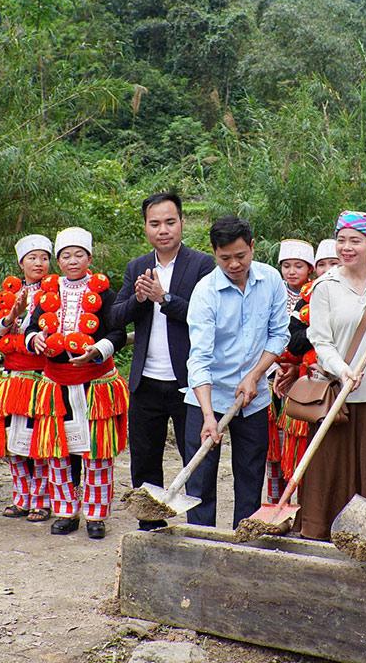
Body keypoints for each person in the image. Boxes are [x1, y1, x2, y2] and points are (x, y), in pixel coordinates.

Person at [110, 193, 215, 530]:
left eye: (170, 222)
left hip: (189, 384)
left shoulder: (202, 265)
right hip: (146, 383)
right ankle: (149, 531)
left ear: (182, 222)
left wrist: (164, 298)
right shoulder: (137, 266)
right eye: (155, 223)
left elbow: (207, 317)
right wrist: (140, 298)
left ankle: (200, 532)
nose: (163, 230)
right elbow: (116, 317)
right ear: (145, 227)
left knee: (197, 463)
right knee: (144, 463)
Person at [298, 211, 366, 539]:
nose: (346, 247)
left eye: (355, 241)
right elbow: (320, 339)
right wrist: (341, 369)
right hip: (336, 391)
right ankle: (321, 530)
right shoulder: (325, 286)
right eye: (341, 240)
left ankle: (365, 533)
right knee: (329, 464)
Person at [185, 216, 290, 529]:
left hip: (253, 398)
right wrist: (208, 416)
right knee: (200, 479)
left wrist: (255, 375)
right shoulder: (205, 292)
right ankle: (199, 541)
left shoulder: (270, 280)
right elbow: (199, 358)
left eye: (241, 256)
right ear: (214, 253)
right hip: (208, 396)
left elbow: (278, 335)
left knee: (250, 474)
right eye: (225, 258)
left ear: (252, 247)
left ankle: (243, 539)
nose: (234, 264)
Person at [24, 227, 129, 540]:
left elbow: (117, 332)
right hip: (56, 383)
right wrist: (35, 339)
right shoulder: (48, 293)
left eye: (78, 255)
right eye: (66, 256)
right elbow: (31, 327)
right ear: (58, 261)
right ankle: (65, 511)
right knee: (58, 452)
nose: (72, 261)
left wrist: (98, 350)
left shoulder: (104, 293)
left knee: (96, 451)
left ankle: (96, 515)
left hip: (95, 383)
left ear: (89, 258)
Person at [0, 233, 54, 520]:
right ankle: (20, 497)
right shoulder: (9, 294)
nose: (39, 263)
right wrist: (11, 315)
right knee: (13, 441)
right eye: (32, 258)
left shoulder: (56, 293)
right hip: (12, 377)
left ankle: (41, 500)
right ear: (21, 263)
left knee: (38, 441)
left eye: (44, 258)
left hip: (41, 377)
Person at [267, 239, 315, 502]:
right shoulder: (272, 293)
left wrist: (295, 366)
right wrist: (274, 366)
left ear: (310, 269)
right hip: (271, 374)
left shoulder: (315, 294)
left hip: (305, 378)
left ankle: (300, 506)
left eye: (299, 266)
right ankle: (275, 501)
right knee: (273, 447)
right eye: (286, 266)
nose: (292, 271)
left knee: (298, 444)